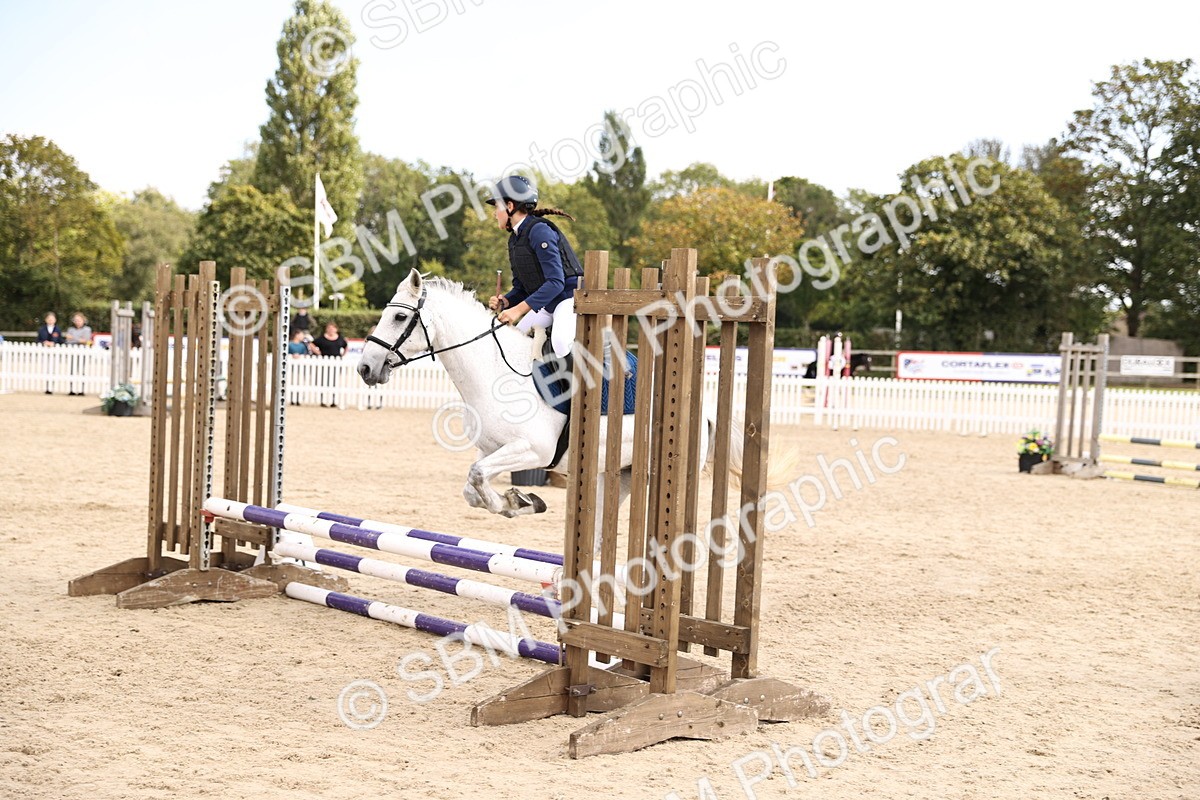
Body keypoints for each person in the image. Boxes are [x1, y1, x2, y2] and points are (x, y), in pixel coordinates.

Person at [485, 175, 583, 360]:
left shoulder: (539, 231)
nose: (495, 213)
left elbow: (556, 283)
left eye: (497, 207)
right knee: (514, 340)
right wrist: (506, 301)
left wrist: (517, 310)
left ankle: (581, 380)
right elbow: (522, 288)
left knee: (560, 342)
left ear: (510, 206)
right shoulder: (515, 239)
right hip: (550, 303)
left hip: (571, 299)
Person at [310, 323, 347, 407]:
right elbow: (312, 344)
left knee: (334, 382)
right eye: (329, 328)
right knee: (323, 381)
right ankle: (323, 400)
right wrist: (318, 352)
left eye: (332, 328)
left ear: (336, 329)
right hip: (324, 362)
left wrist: (343, 355)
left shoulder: (340, 339)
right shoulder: (322, 338)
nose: (331, 330)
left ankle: (333, 400)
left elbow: (346, 346)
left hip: (336, 363)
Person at [64, 313, 92, 396]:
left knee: (82, 370)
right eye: (76, 320)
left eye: (79, 320)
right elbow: (68, 341)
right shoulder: (71, 329)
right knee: (72, 370)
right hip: (72, 351)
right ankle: (72, 389)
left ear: (83, 320)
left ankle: (81, 389)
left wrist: (73, 338)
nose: (77, 322)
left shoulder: (87, 329)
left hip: (83, 352)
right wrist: (78, 340)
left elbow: (85, 340)